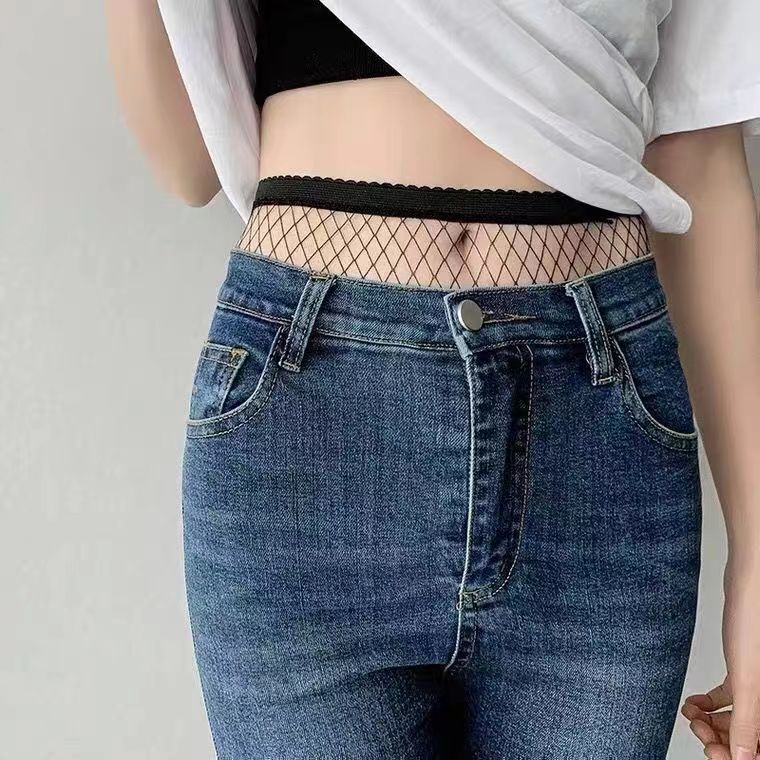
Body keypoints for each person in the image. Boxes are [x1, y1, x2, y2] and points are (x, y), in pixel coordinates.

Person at [106, 1, 760, 758]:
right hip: (310, 424)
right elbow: (186, 163)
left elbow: (697, 156)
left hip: (594, 431)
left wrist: (756, 559)